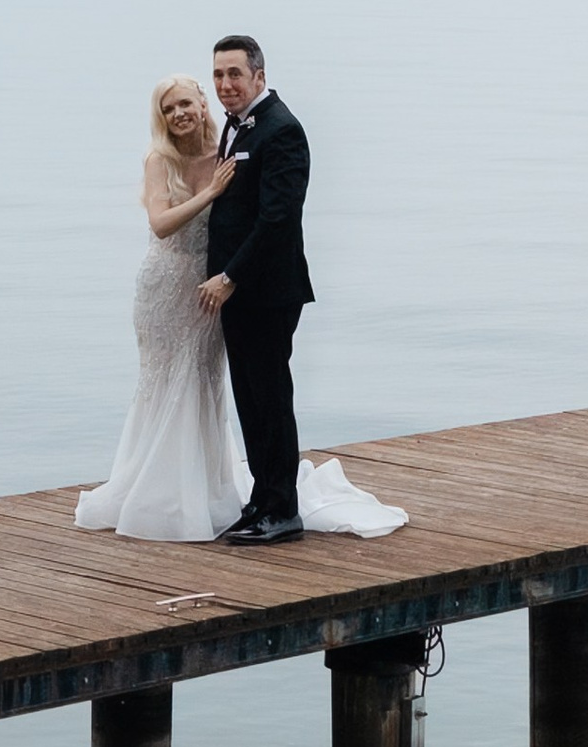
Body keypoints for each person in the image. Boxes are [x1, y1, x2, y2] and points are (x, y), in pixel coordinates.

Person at [72, 58, 402, 546]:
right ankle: (257, 500)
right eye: (218, 76)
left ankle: (279, 509)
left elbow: (277, 218)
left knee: (266, 399)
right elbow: (175, 220)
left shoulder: (278, 129)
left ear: (258, 77)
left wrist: (229, 275)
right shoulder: (226, 134)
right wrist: (212, 208)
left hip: (254, 289)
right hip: (188, 289)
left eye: (232, 76)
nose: (224, 86)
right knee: (242, 398)